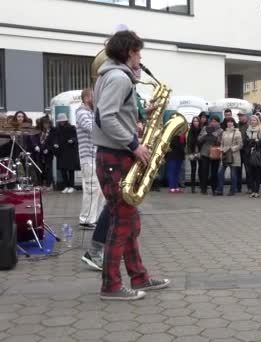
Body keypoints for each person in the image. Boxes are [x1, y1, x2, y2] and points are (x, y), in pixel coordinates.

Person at [92, 30, 169, 300]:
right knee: (122, 221)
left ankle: (139, 277)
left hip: (112, 155)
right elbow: (105, 117)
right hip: (115, 156)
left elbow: (111, 112)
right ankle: (111, 285)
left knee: (130, 219)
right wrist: (134, 144)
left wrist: (140, 112)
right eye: (137, 52)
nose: (140, 57)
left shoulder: (111, 75)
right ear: (128, 53)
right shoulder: (117, 77)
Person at [76, 89, 104, 227]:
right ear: (87, 98)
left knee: (98, 190)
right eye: (94, 97)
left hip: (95, 156)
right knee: (91, 189)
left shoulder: (91, 113)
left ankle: (96, 218)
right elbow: (91, 128)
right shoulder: (81, 113)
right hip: (88, 157)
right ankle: (86, 220)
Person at [51, 113, 79, 193]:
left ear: (66, 120)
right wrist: (55, 143)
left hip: (70, 152)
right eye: (60, 121)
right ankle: (66, 186)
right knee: (63, 170)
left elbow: (76, 137)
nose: (61, 122)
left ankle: (72, 186)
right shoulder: (57, 129)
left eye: (63, 121)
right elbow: (54, 138)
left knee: (71, 170)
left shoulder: (72, 128)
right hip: (61, 152)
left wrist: (72, 140)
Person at [216, 117, 243, 196]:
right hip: (224, 155)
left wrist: (231, 149)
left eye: (231, 122)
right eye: (228, 122)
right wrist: (221, 149)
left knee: (233, 174)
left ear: (233, 123)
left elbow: (240, 144)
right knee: (220, 173)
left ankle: (232, 190)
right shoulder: (224, 132)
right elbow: (222, 143)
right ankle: (220, 190)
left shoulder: (237, 132)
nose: (229, 123)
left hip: (233, 155)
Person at [198, 116, 223, 195]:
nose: (213, 123)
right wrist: (204, 135)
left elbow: (221, 142)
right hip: (205, 152)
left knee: (214, 172)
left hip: (215, 153)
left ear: (218, 122)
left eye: (215, 121)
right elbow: (199, 140)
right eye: (212, 121)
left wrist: (216, 136)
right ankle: (203, 188)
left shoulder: (221, 130)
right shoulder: (205, 128)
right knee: (204, 171)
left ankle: (214, 189)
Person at [245, 115, 261, 198]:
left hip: (258, 154)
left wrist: (253, 141)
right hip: (249, 154)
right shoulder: (247, 130)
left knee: (257, 173)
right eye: (251, 120)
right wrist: (253, 141)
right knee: (250, 173)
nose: (253, 122)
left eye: (254, 120)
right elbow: (246, 142)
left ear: (257, 121)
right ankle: (252, 191)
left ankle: (256, 191)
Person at [186, 116, 202, 193]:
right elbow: (188, 142)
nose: (195, 122)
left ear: (199, 122)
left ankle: (201, 185)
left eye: (197, 121)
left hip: (200, 152)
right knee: (193, 169)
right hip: (192, 152)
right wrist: (189, 153)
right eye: (194, 121)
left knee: (201, 169)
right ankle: (193, 187)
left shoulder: (202, 130)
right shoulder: (190, 131)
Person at [237, 112, 249, 193]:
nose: (240, 118)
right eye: (239, 116)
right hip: (238, 150)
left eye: (242, 116)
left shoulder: (249, 125)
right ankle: (238, 188)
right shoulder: (237, 125)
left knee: (248, 170)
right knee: (238, 169)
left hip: (246, 150)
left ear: (246, 116)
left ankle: (249, 187)